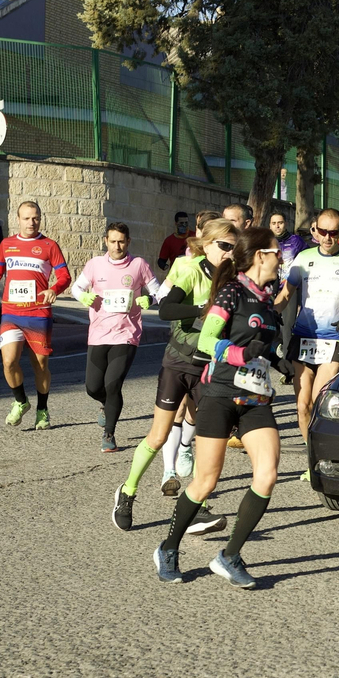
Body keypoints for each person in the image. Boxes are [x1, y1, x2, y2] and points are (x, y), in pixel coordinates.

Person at [154, 226, 285, 588]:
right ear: (260, 255)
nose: (281, 258)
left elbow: (263, 342)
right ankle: (168, 548)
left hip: (255, 398)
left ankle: (229, 556)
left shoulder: (267, 296)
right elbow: (209, 340)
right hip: (220, 394)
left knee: (268, 473)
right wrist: (242, 354)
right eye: (277, 252)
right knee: (206, 481)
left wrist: (278, 360)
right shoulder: (231, 293)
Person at [111, 218, 236, 532]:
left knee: (207, 441)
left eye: (234, 247)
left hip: (209, 369)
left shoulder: (234, 279)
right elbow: (166, 309)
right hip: (178, 364)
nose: (229, 253)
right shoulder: (191, 270)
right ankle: (127, 492)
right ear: (206, 244)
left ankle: (200, 506)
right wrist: (200, 311)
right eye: (224, 246)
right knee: (158, 436)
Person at [0, 200, 71, 429]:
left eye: (35, 218)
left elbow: (64, 276)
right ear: (18, 220)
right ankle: (20, 401)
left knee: (40, 365)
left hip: (38, 313)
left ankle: (42, 409)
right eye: (26, 218)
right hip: (12, 312)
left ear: (40, 219)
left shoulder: (49, 246)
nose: (31, 222)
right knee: (8, 362)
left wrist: (53, 290)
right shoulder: (7, 244)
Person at [280, 208, 339, 471]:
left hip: (334, 339)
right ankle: (313, 458)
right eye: (322, 232)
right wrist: (263, 315)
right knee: (302, 404)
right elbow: (284, 296)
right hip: (304, 336)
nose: (327, 238)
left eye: (333, 233)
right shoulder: (303, 258)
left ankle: (319, 460)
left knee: (318, 398)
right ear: (314, 230)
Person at [73, 222, 160, 452]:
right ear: (106, 241)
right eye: (113, 241)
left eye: (121, 241)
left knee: (113, 385)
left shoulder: (139, 265)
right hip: (99, 334)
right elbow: (76, 288)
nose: (117, 246)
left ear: (128, 242)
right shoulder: (95, 265)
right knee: (93, 388)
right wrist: (83, 298)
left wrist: (149, 300)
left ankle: (109, 434)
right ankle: (105, 404)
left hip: (126, 334)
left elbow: (159, 291)